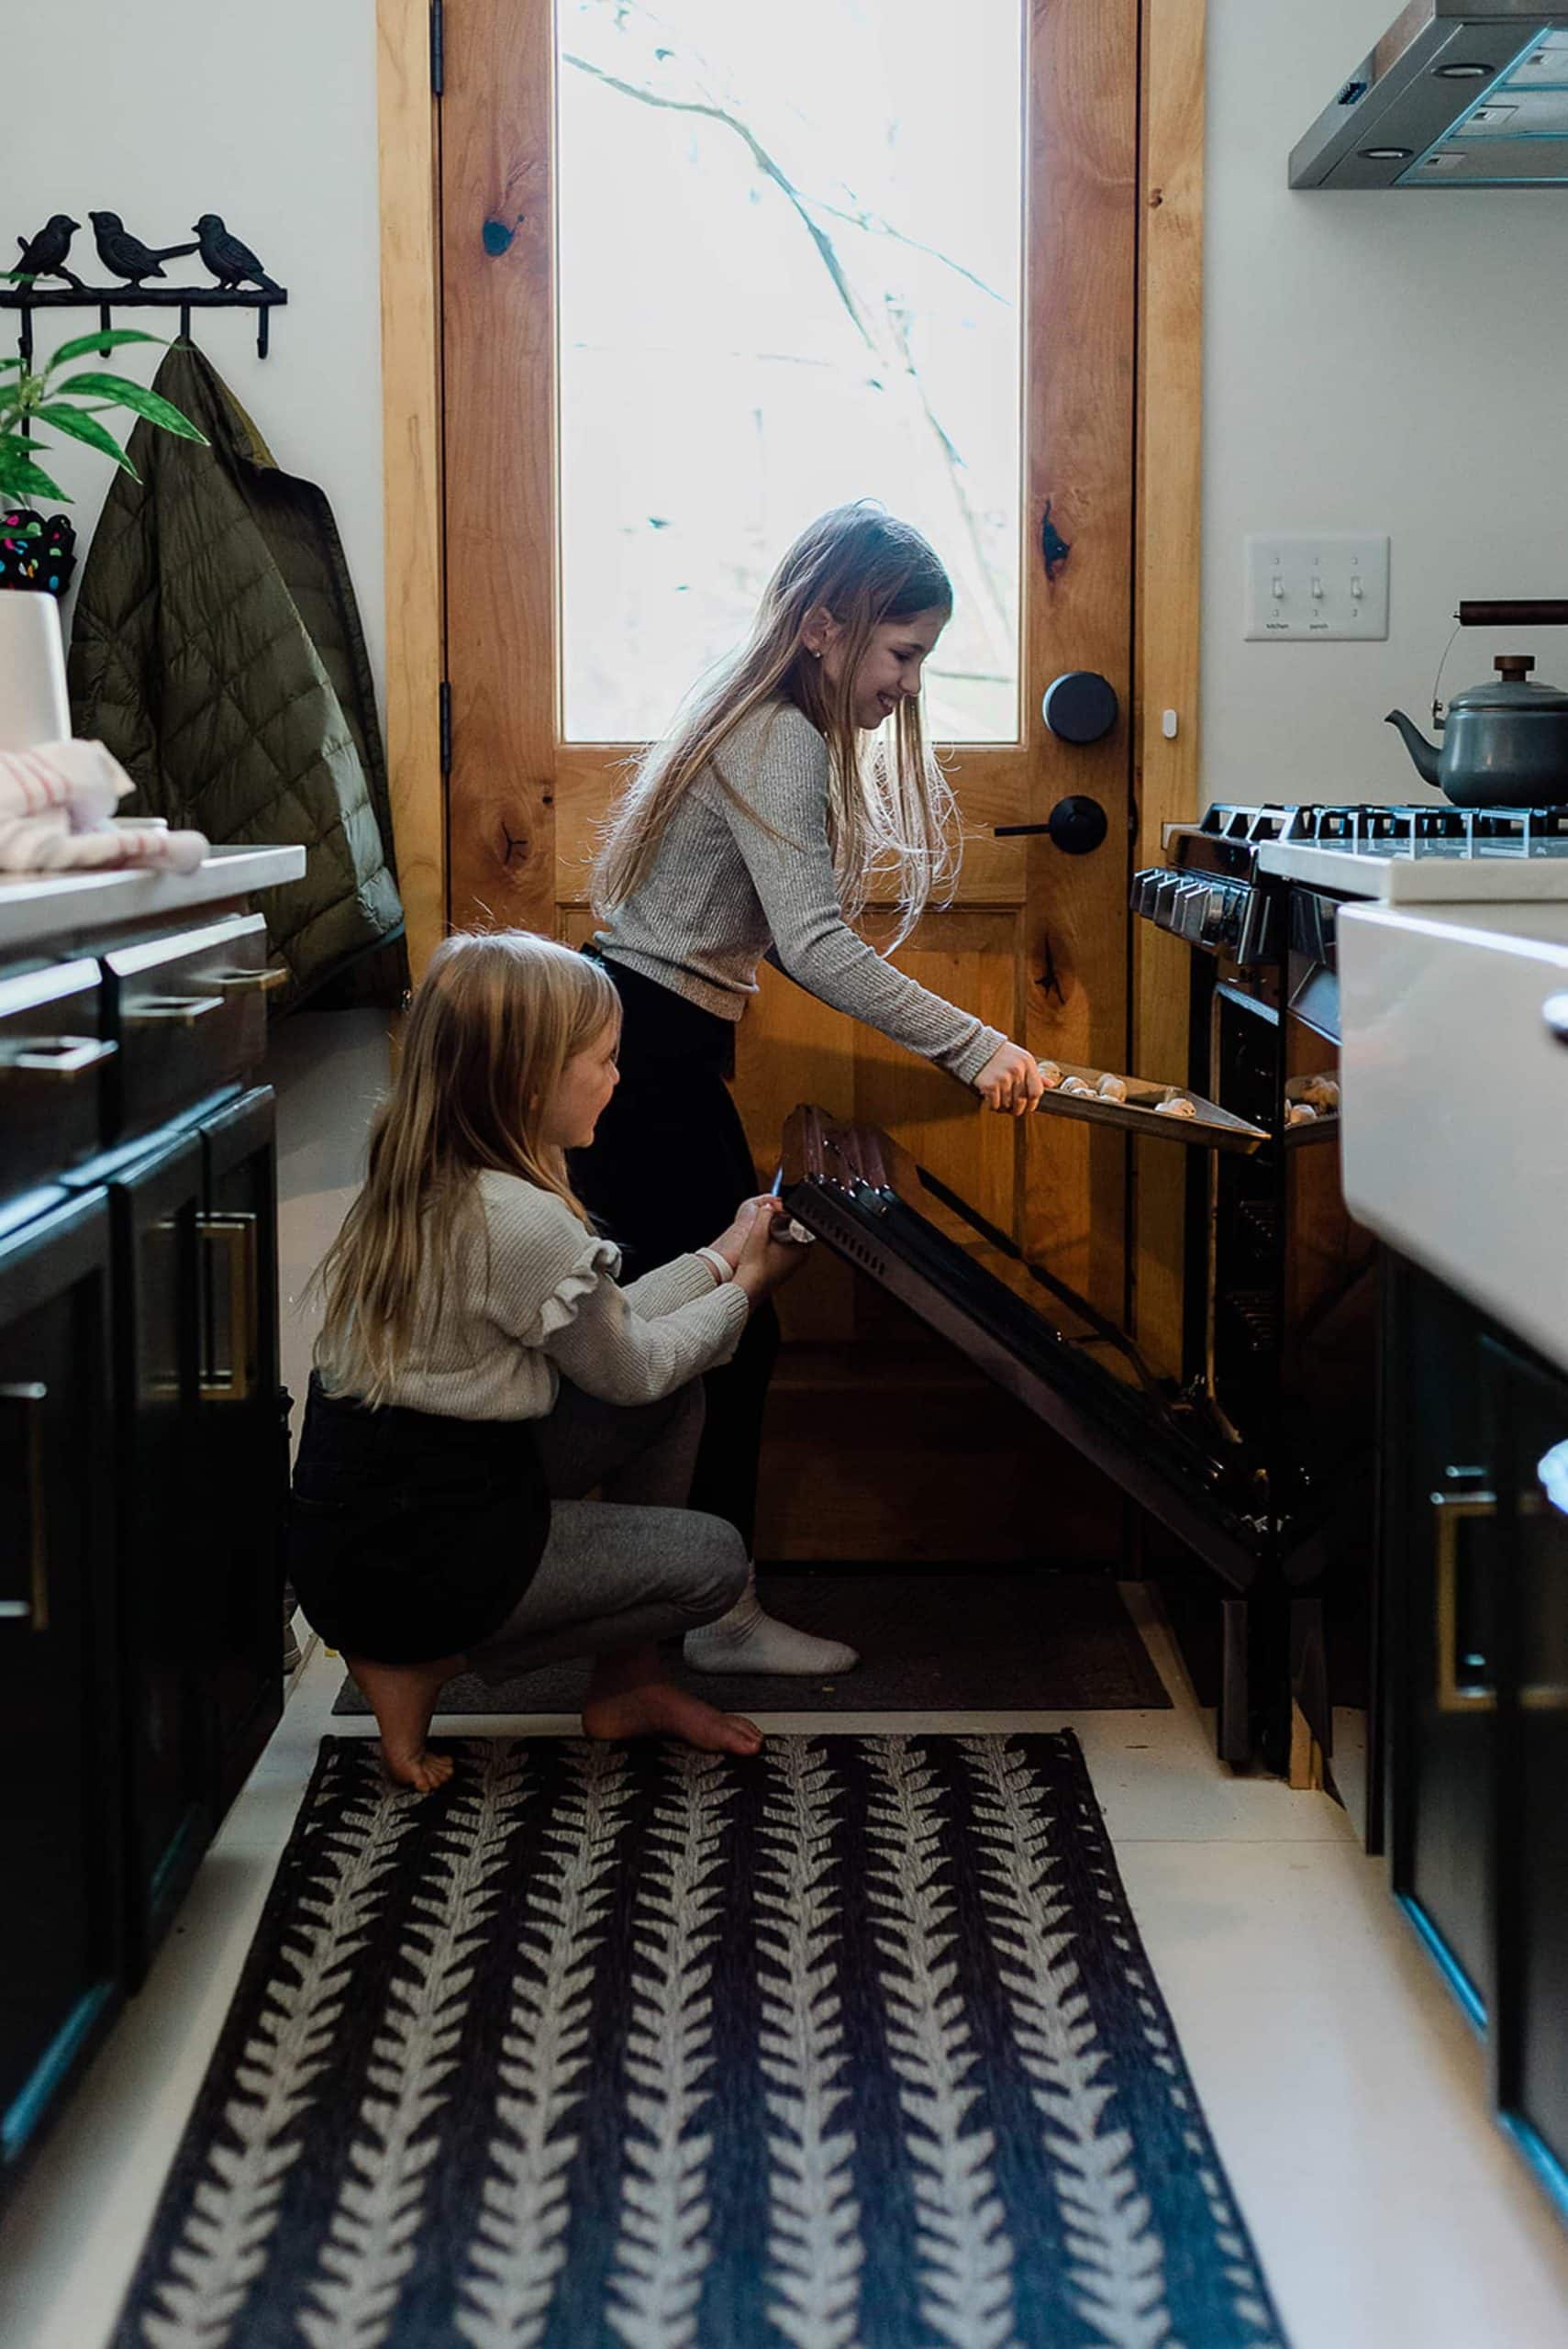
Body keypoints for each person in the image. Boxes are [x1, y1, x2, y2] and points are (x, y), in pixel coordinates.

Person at [577, 500, 1046, 1677]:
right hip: (643, 1052)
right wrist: (975, 1045)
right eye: (901, 652)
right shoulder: (779, 734)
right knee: (715, 1326)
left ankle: (672, 1604)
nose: (906, 682)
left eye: (922, 657)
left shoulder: (754, 716)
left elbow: (786, 938)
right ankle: (698, 1608)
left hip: (647, 1040)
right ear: (826, 628)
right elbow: (820, 943)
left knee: (700, 1321)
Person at [287, 930, 806, 1790]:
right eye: (602, 1060)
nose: (618, 1078)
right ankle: (425, 1658)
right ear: (532, 1081)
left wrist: (721, 1253)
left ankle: (628, 1685)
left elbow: (612, 1338)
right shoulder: (521, 1220)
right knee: (710, 1561)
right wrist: (751, 1288)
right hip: (419, 1546)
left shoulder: (431, 1171)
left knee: (674, 1399)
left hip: (364, 1523)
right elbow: (632, 1365)